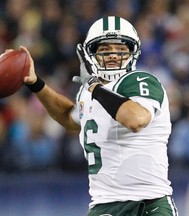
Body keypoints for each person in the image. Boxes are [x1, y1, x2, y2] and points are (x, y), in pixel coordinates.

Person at [18, 16, 178, 216]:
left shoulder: (139, 81)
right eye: (104, 50)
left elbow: (136, 119)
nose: (113, 55)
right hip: (103, 205)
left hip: (147, 202)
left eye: (121, 50)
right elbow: (69, 117)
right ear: (90, 54)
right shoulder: (88, 93)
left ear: (132, 52)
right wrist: (35, 83)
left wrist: (94, 86)